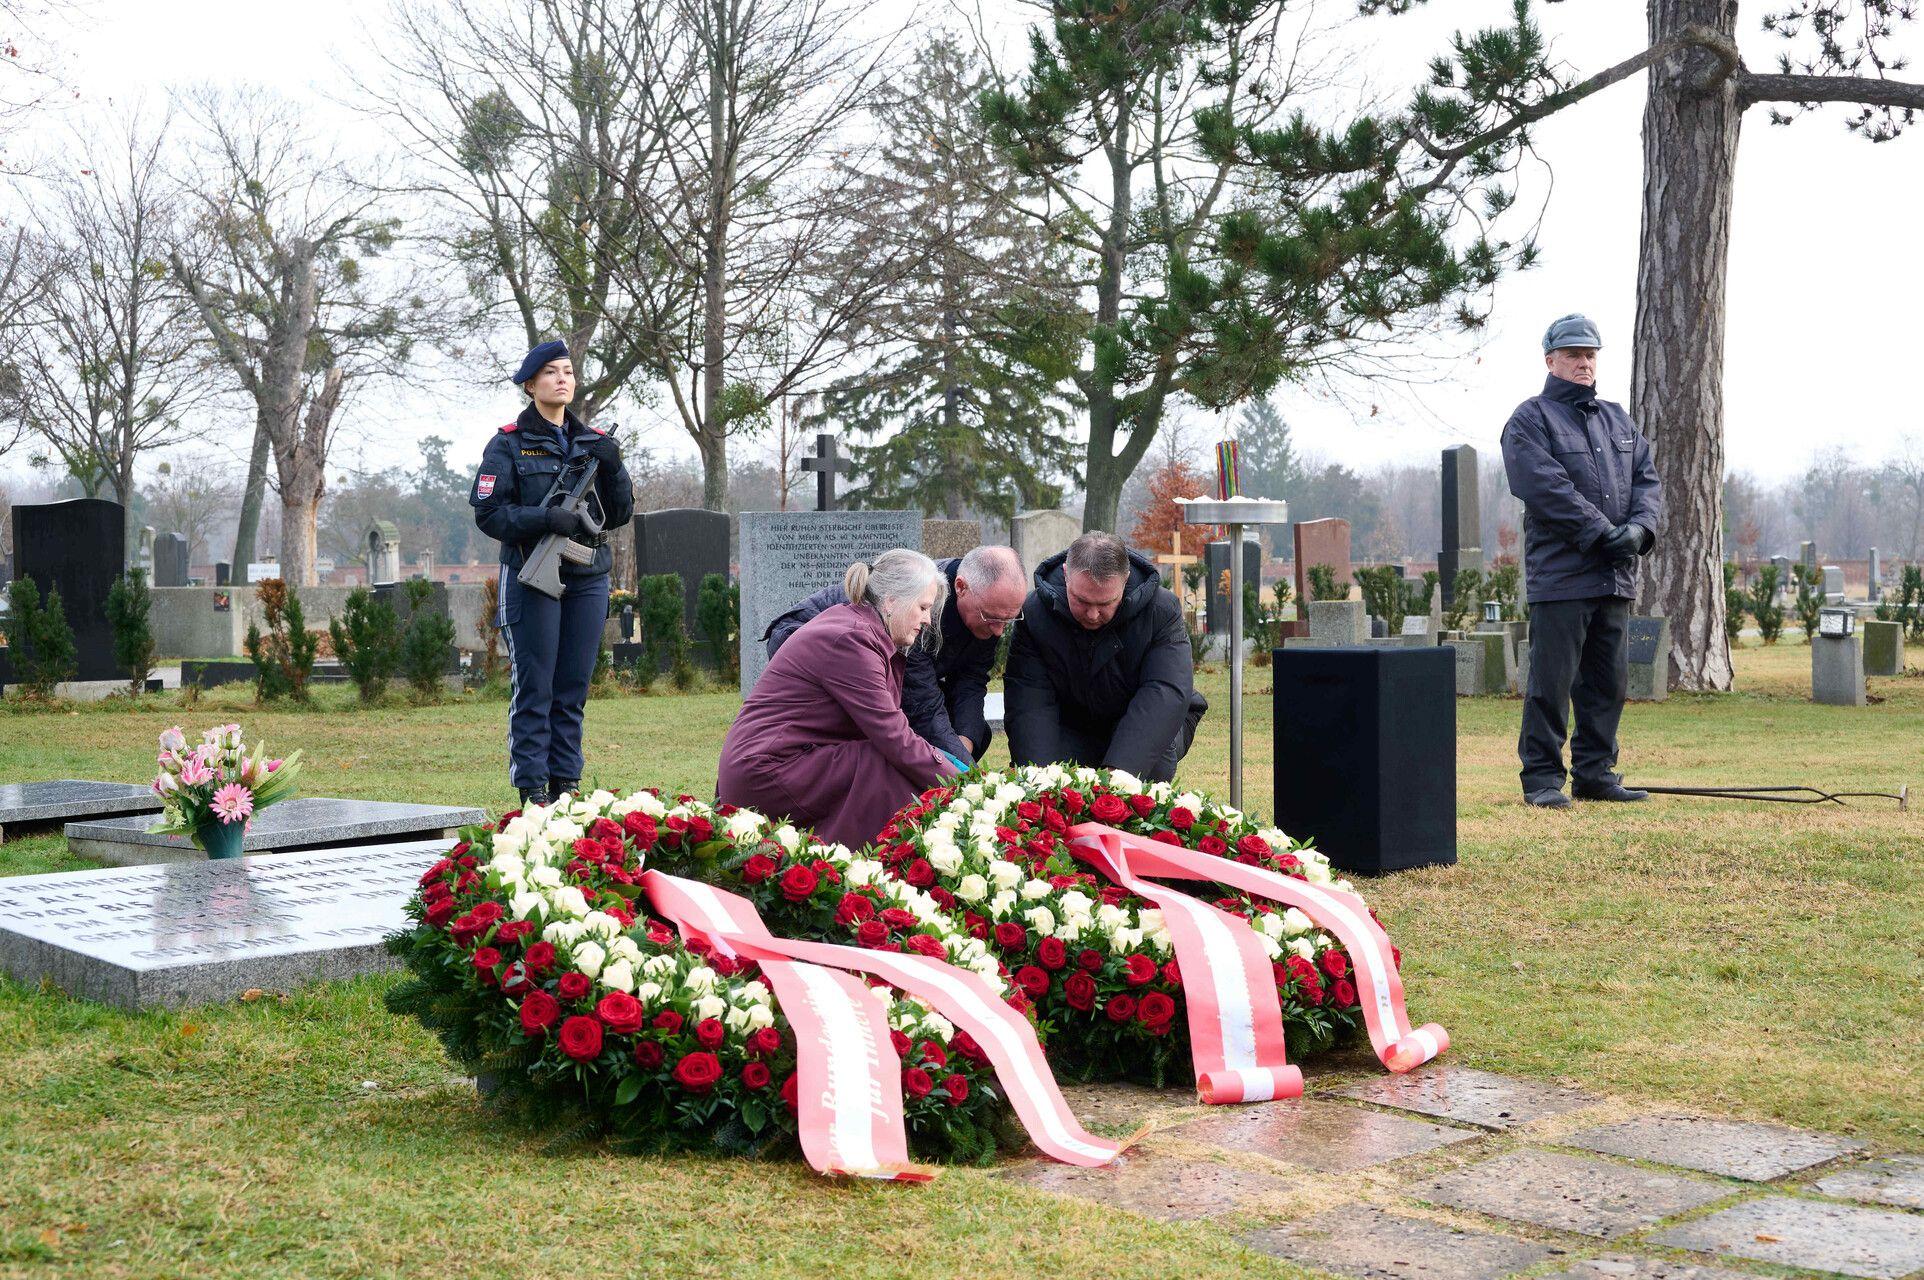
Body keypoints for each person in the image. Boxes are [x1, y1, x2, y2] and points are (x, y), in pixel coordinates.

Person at [1501, 313, 1663, 809]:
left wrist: (1640, 530)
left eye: (1590, 354)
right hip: (1562, 576)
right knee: (1550, 683)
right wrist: (1601, 532)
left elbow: (1647, 481)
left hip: (1614, 577)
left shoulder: (1618, 419)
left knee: (1606, 685)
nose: (1583, 363)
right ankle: (1543, 780)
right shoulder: (1530, 419)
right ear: (1550, 359)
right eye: (1572, 354)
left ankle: (1596, 774)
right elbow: (1544, 486)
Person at [471, 339, 634, 807]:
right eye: (550, 373)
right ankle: (534, 791)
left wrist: (615, 466)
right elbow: (489, 514)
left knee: (572, 689)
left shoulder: (594, 444)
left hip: (587, 577)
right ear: (531, 385)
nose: (562, 379)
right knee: (536, 686)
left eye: (567, 372)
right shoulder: (507, 443)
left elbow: (619, 514)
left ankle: (567, 786)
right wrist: (545, 519)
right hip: (532, 574)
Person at [717, 550, 960, 848]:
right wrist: (963, 785)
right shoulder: (852, 640)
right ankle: (885, 860)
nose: (925, 620)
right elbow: (893, 737)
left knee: (886, 761)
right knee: (879, 764)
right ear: (891, 601)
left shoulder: (859, 629)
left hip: (775, 763)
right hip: (765, 773)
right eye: (923, 607)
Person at [762, 544, 1025, 765]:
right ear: (961, 587)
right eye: (992, 618)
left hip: (883, 671)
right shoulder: (920, 610)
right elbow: (922, 705)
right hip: (807, 649)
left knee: (973, 733)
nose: (1000, 631)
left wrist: (963, 746)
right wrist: (966, 777)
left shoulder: (988, 607)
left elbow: (972, 679)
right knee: (881, 749)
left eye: (1009, 620)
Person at [1004, 531, 1206, 782]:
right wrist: (1038, 777)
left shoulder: (1161, 611)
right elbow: (1029, 697)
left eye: (1105, 604)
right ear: (1066, 574)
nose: (1092, 614)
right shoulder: (1035, 614)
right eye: (1082, 600)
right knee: (1047, 785)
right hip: (1070, 722)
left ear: (1126, 580)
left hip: (1142, 717)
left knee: (1147, 775)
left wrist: (1119, 773)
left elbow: (1164, 691)